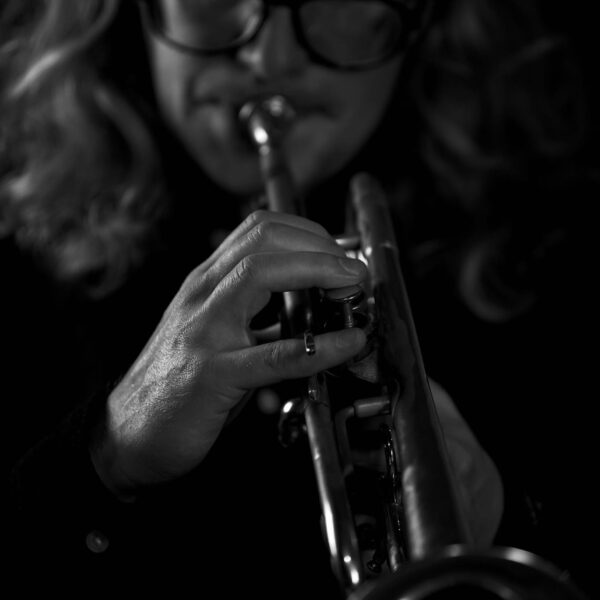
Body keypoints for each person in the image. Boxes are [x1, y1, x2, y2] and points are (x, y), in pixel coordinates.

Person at [1, 0, 596, 597]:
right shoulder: (19, 269)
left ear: (422, 22)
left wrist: (507, 530)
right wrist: (106, 454)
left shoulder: (555, 263)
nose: (269, 58)